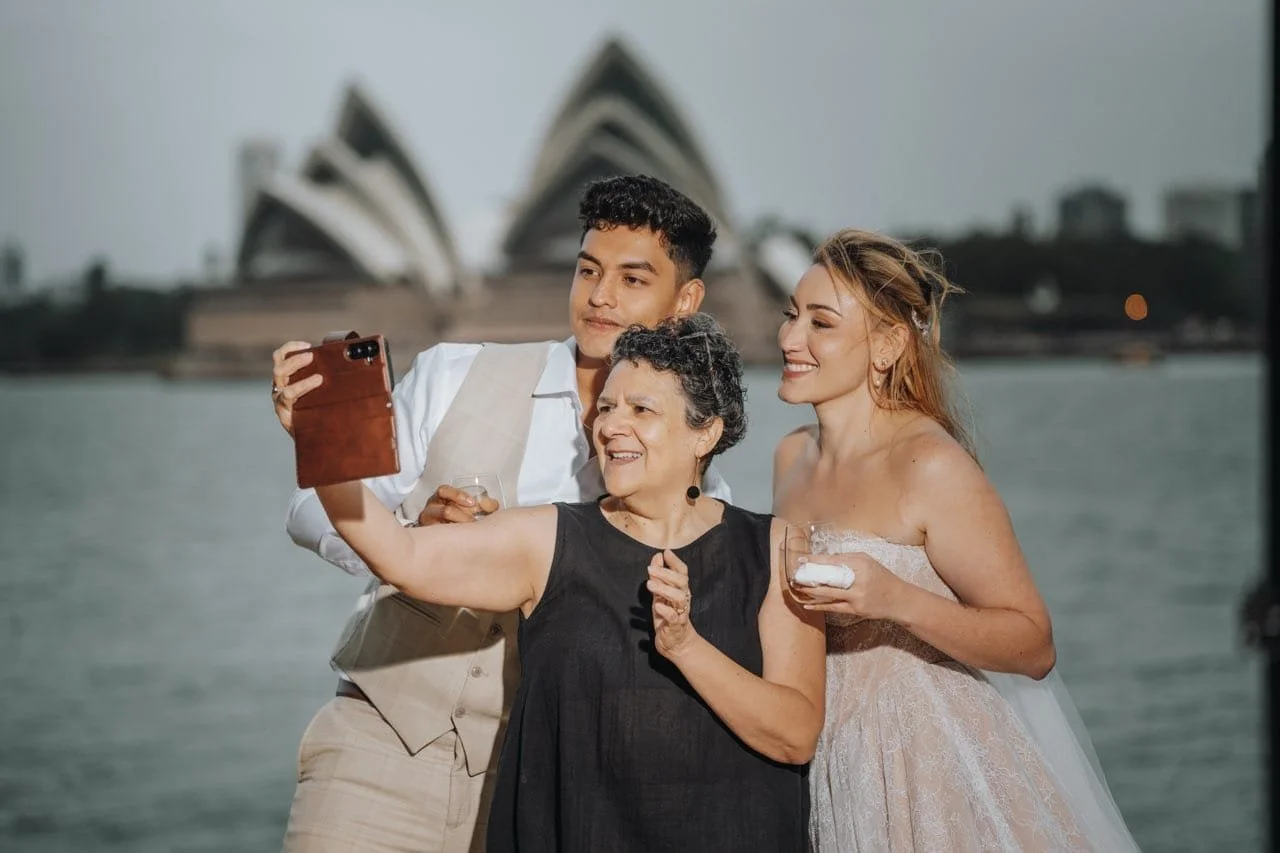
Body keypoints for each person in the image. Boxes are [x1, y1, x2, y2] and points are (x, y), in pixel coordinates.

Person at [270, 175, 733, 852]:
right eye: (587, 271)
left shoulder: (700, 480)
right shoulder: (455, 373)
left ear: (684, 301)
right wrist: (407, 532)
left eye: (633, 280)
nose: (600, 296)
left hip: (548, 796)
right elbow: (309, 505)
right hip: (382, 752)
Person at [287, 314, 825, 851]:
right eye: (608, 407)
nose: (612, 425)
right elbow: (398, 555)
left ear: (705, 432)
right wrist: (324, 442)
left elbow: (796, 735)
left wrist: (685, 646)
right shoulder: (548, 538)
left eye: (642, 410)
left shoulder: (773, 547)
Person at [772, 228, 1140, 852]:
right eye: (790, 315)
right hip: (828, 760)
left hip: (932, 768)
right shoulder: (790, 458)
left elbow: (1034, 643)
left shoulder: (930, 465)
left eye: (821, 323)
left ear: (886, 344)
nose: (789, 339)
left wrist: (896, 599)